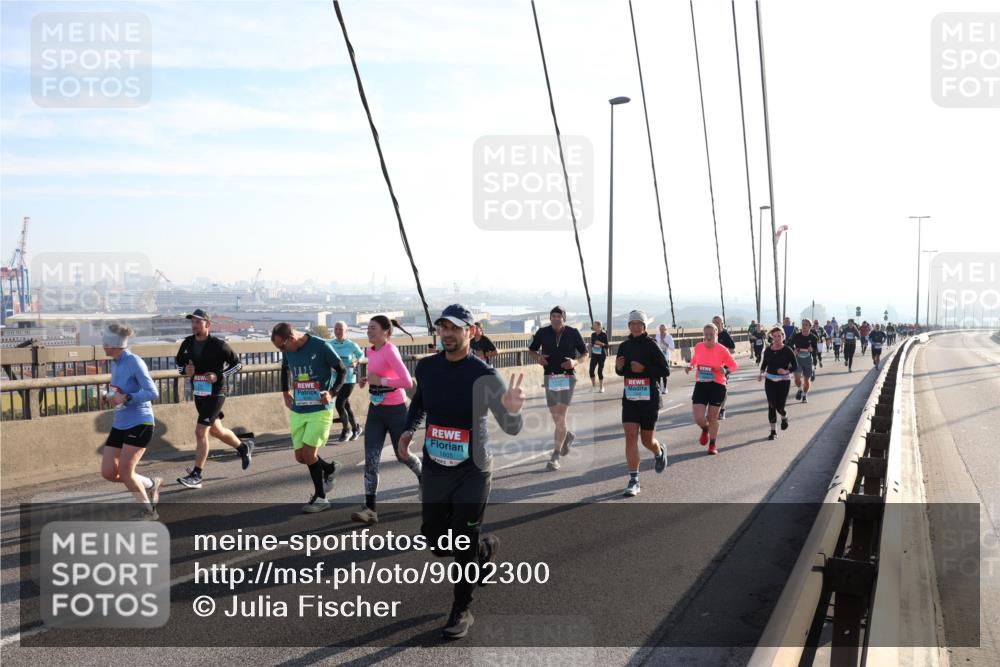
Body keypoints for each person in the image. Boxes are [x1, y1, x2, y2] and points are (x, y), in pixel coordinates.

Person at [399, 304, 525, 639]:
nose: (448, 334)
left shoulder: (484, 375)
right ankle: (484, 552)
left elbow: (511, 427)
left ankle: (461, 608)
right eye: (443, 328)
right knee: (436, 541)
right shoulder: (427, 368)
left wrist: (513, 410)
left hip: (474, 469)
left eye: (456, 328)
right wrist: (409, 429)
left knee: (462, 539)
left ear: (472, 331)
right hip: (436, 467)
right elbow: (420, 403)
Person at [352, 316, 421, 524]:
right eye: (367, 328)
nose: (368, 332)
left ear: (385, 332)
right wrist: (369, 380)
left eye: (372, 328)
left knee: (402, 455)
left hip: (396, 410)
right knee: (371, 459)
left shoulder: (390, 350)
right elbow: (378, 374)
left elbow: (407, 381)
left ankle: (424, 478)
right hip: (376, 410)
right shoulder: (370, 350)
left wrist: (380, 380)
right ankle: (370, 509)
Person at [175, 309, 253, 490]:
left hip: (217, 392)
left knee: (201, 431)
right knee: (216, 431)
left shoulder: (218, 345)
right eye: (192, 322)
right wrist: (185, 371)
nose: (194, 325)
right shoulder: (187, 343)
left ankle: (197, 475)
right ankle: (243, 448)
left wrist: (219, 375)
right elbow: (179, 365)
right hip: (199, 393)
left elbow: (238, 364)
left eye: (198, 322)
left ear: (208, 325)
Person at [271, 322, 346, 513]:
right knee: (301, 457)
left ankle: (321, 498)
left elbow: (342, 371)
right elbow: (284, 368)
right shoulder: (287, 350)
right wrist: (285, 392)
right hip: (299, 408)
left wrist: (332, 392)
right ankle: (329, 469)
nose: (282, 350)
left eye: (282, 346)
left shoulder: (321, 346)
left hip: (320, 409)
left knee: (310, 454)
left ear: (291, 338)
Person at [99, 324, 161, 520]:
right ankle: (150, 484)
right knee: (109, 472)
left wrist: (127, 398)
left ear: (114, 345)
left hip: (140, 423)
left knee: (126, 471)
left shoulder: (134, 362)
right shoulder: (115, 362)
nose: (102, 345)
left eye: (105, 343)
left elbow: (153, 393)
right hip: (120, 422)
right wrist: (110, 395)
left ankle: (148, 511)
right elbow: (120, 389)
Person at [615, 310, 669, 496]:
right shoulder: (624, 346)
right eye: (632, 323)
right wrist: (619, 368)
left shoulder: (651, 345)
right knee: (630, 435)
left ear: (644, 326)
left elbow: (665, 370)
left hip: (649, 399)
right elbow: (621, 372)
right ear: (629, 326)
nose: (636, 326)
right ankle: (634, 479)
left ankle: (659, 451)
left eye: (639, 323)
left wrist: (644, 369)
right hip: (630, 397)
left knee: (647, 441)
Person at [528, 306, 588, 471]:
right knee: (557, 419)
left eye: (559, 316)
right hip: (550, 377)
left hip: (568, 377)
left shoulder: (573, 332)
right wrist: (538, 358)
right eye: (553, 316)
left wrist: (575, 362)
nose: (555, 318)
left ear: (564, 318)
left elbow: (585, 353)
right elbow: (531, 350)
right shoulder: (542, 332)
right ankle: (567, 435)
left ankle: (554, 456)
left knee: (560, 418)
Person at [685, 323, 738, 455]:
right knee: (698, 417)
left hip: (718, 385)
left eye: (711, 334)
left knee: (712, 416)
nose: (708, 337)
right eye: (706, 334)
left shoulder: (722, 349)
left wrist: (725, 370)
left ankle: (712, 444)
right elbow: (695, 359)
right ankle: (705, 428)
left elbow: (734, 365)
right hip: (702, 384)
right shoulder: (699, 346)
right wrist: (690, 366)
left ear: (716, 334)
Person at [758, 326, 797, 440]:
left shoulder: (787, 350)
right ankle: (773, 431)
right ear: (771, 337)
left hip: (783, 381)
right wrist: (761, 373)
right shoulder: (768, 350)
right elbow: (764, 363)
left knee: (780, 407)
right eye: (774, 336)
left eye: (779, 336)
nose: (777, 338)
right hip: (770, 380)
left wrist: (786, 371)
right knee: (771, 405)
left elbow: (795, 366)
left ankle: (784, 416)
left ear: (783, 337)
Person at [330, 321, 365, 442]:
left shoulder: (351, 345)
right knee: (346, 405)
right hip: (336, 379)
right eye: (336, 329)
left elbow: (361, 355)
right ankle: (356, 428)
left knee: (339, 404)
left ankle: (347, 430)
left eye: (341, 329)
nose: (338, 331)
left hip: (349, 379)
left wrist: (356, 362)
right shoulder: (330, 344)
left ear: (346, 331)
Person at [713, 316, 737, 419]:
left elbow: (732, 349)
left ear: (722, 324)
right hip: (710, 367)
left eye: (719, 323)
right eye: (715, 323)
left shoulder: (725, 335)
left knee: (722, 388)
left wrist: (722, 354)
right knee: (711, 389)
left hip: (723, 367)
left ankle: (722, 410)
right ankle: (712, 410)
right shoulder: (709, 334)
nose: (717, 325)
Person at [790, 320, 817, 403]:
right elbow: (789, 345)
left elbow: (815, 349)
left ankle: (804, 395)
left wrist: (812, 350)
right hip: (798, 359)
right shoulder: (796, 336)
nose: (804, 326)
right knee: (797, 377)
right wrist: (794, 350)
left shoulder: (813, 337)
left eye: (806, 325)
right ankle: (800, 389)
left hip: (808, 360)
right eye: (803, 325)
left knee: (806, 380)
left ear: (810, 326)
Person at [588, 320, 610, 393]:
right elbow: (593, 344)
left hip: (601, 355)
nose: (593, 326)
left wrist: (601, 343)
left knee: (599, 371)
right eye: (593, 325)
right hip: (594, 354)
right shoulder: (593, 335)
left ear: (599, 326)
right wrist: (591, 345)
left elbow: (607, 346)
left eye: (594, 325)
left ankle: (601, 387)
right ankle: (594, 386)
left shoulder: (604, 335)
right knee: (591, 370)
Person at [653, 324, 675, 393]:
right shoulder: (657, 336)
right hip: (658, 356)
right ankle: (659, 388)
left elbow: (672, 348)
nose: (662, 331)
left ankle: (665, 388)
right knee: (658, 373)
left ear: (666, 329)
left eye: (663, 329)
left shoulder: (669, 337)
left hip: (665, 356)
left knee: (664, 373)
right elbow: (655, 345)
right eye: (660, 329)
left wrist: (665, 343)